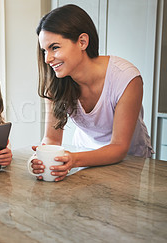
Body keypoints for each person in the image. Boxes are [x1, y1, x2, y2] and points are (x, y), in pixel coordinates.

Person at [29, 4, 154, 182]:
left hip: (129, 161)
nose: (47, 59)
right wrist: (43, 158)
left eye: (54, 47)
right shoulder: (56, 84)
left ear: (82, 42)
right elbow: (51, 137)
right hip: (84, 158)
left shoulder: (126, 78)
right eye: (44, 50)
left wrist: (74, 159)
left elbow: (119, 147)